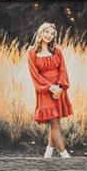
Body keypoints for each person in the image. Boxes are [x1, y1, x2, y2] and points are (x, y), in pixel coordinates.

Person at [28, 20, 74, 158]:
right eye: (47, 32)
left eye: (52, 33)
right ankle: (65, 156)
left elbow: (62, 70)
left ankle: (48, 155)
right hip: (44, 91)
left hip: (59, 90)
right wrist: (50, 88)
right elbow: (34, 74)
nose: (49, 35)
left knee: (56, 122)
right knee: (54, 122)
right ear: (41, 32)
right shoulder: (32, 52)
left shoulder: (56, 50)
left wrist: (58, 88)